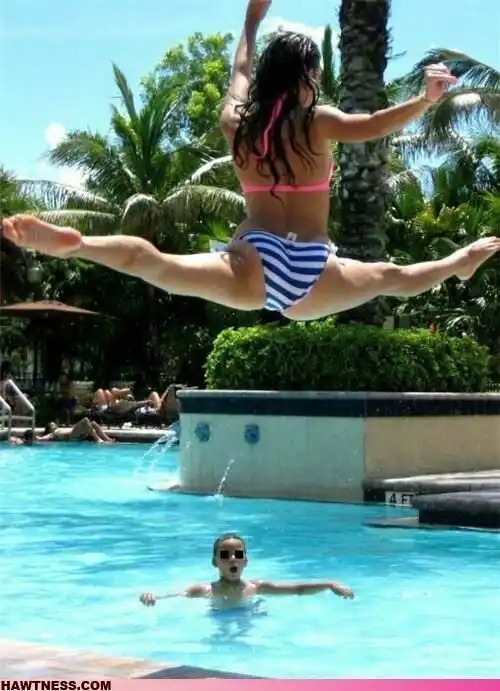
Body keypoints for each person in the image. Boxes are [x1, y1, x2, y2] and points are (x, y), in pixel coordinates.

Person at [2, 0, 499, 320]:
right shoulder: (318, 122)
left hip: (253, 257)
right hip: (312, 266)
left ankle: (81, 243)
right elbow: (372, 124)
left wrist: (250, 21)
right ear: (307, 77)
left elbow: (240, 68)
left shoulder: (236, 123)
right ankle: (457, 264)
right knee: (394, 278)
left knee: (155, 263)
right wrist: (425, 100)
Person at [139, 533, 354, 610]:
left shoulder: (256, 587)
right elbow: (174, 595)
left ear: (245, 561)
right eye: (225, 555)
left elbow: (297, 589)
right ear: (215, 562)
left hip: (248, 617)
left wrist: (330, 584)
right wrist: (151, 596)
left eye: (238, 554)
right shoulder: (204, 590)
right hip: (217, 621)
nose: (232, 558)